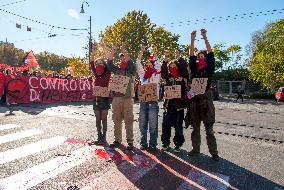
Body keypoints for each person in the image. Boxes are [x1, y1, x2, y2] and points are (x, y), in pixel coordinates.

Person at [188, 29, 219, 161]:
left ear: (205, 58)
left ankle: (214, 153)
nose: (200, 57)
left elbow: (211, 53)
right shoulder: (194, 69)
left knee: (209, 128)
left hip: (206, 98)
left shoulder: (209, 68)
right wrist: (192, 40)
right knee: (195, 128)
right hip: (195, 99)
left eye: (202, 56)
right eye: (198, 56)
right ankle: (196, 149)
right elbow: (191, 56)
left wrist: (205, 37)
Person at [106, 43, 137, 150]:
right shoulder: (116, 70)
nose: (123, 59)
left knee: (128, 120)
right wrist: (113, 49)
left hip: (127, 99)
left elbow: (131, 63)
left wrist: (124, 49)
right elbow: (109, 63)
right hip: (116, 99)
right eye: (121, 58)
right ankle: (117, 140)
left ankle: (130, 141)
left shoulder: (131, 70)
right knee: (116, 120)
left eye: (124, 58)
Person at [161, 51, 189, 152]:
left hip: (179, 105)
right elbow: (163, 71)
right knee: (165, 125)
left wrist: (178, 57)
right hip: (168, 104)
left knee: (178, 126)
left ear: (177, 67)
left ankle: (178, 144)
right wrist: (166, 58)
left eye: (174, 66)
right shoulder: (167, 78)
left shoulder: (182, 78)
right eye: (170, 67)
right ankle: (165, 143)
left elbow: (184, 67)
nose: (172, 68)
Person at [136, 44, 161, 150]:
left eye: (150, 64)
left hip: (153, 102)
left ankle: (153, 144)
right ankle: (143, 143)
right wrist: (141, 51)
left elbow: (158, 63)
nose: (148, 65)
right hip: (143, 102)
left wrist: (154, 51)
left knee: (153, 123)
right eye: (146, 64)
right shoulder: (142, 75)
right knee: (142, 122)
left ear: (153, 65)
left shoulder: (157, 74)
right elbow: (137, 63)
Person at [89, 43, 111, 145]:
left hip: (105, 99)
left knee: (104, 119)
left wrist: (104, 48)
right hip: (97, 99)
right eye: (98, 63)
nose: (99, 64)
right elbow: (91, 62)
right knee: (98, 119)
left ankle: (104, 137)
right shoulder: (95, 73)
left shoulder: (108, 72)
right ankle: (99, 136)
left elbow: (109, 62)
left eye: (101, 63)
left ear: (104, 65)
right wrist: (93, 52)